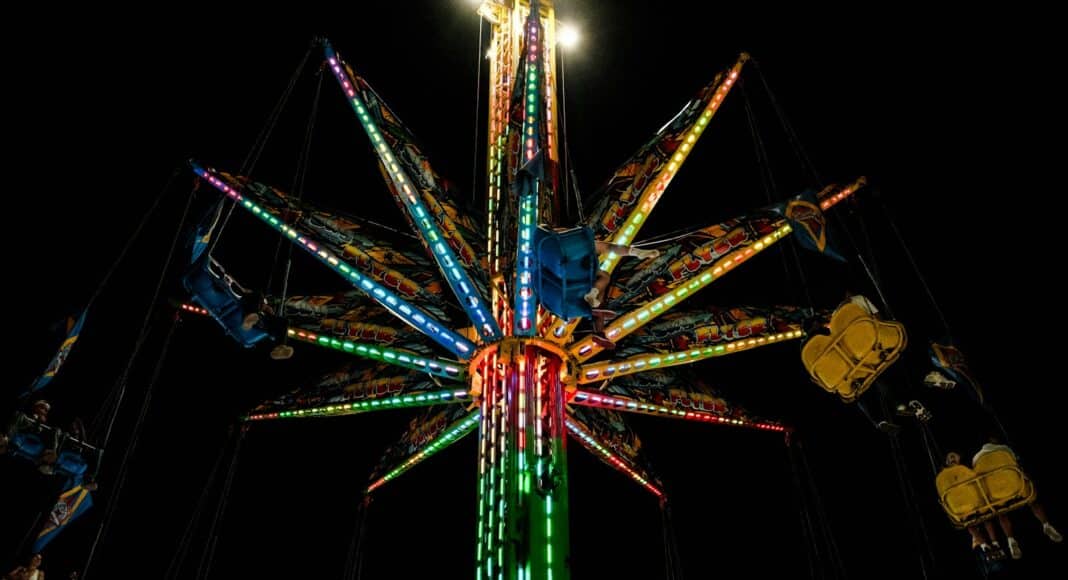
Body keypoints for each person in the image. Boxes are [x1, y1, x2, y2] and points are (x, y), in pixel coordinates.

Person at [972, 437, 1063, 558]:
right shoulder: (1004, 449)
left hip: (997, 495)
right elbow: (1016, 464)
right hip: (1016, 488)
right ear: (994, 440)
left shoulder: (976, 459)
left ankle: (1010, 539)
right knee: (1032, 497)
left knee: (1000, 511)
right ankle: (1046, 524)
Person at [583, 241, 659, 348]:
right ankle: (592, 297)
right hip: (573, 273)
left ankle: (599, 331)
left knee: (601, 287)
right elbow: (608, 247)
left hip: (567, 273)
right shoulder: (577, 240)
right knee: (604, 276)